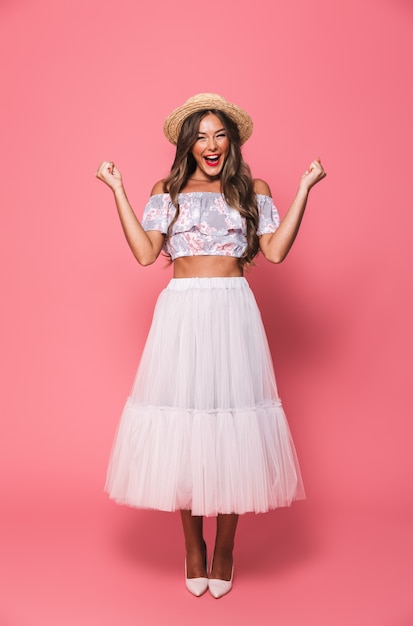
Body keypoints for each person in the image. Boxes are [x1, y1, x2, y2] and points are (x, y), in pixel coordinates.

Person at [96, 93, 326, 599]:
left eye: (219, 133)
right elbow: (143, 253)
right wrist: (116, 189)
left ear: (233, 140)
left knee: (232, 427)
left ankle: (224, 548)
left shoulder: (252, 189)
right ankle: (192, 547)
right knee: (185, 425)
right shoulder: (169, 190)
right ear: (188, 144)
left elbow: (277, 251)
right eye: (200, 135)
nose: (211, 143)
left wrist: (306, 187)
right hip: (181, 313)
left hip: (232, 311)